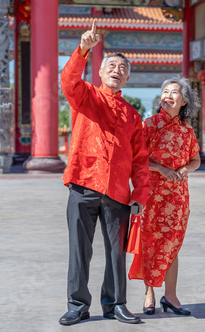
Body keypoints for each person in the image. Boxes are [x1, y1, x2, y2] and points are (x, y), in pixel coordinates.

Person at [58, 20, 150, 326]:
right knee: (79, 252)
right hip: (83, 184)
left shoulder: (133, 115)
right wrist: (84, 48)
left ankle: (116, 304)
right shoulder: (84, 95)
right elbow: (68, 79)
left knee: (116, 254)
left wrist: (139, 194)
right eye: (111, 65)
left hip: (117, 192)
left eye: (123, 68)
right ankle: (77, 304)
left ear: (127, 76)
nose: (117, 70)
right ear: (100, 71)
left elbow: (140, 159)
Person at [128, 77, 201, 316]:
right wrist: (162, 169)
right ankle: (149, 293)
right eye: (165, 91)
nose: (168, 95)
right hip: (153, 195)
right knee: (150, 245)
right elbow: (137, 159)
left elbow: (196, 160)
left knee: (172, 246)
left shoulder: (187, 130)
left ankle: (170, 296)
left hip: (178, 197)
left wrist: (185, 169)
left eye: (175, 92)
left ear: (185, 101)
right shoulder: (149, 124)